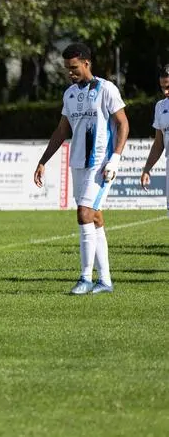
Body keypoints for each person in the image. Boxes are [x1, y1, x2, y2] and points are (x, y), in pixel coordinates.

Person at [34, 43, 129, 295]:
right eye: (67, 69)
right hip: (78, 163)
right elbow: (61, 130)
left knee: (84, 213)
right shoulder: (70, 94)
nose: (70, 73)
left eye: (74, 68)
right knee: (95, 218)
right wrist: (43, 160)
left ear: (87, 63)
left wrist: (115, 159)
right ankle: (105, 280)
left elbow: (123, 124)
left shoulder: (106, 89)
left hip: (100, 164)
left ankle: (85, 278)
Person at [140, 65, 169, 213]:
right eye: (162, 87)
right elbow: (159, 144)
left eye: (168, 87)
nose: (165, 92)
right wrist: (147, 169)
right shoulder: (160, 106)